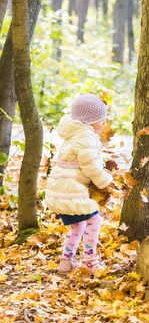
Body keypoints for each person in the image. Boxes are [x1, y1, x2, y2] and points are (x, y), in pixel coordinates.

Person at [44, 93, 113, 274]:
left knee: (79, 224)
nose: (103, 124)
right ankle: (89, 260)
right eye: (101, 120)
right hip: (70, 190)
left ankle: (66, 262)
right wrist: (105, 182)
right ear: (90, 121)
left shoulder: (75, 133)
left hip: (62, 189)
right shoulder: (85, 137)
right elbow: (90, 165)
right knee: (95, 219)